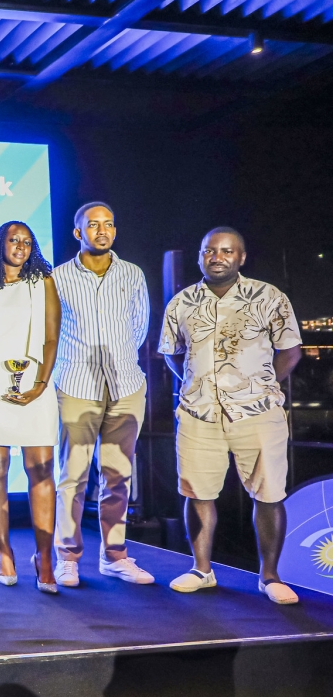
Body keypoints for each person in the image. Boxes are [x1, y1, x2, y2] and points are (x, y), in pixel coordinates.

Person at [159, 227, 302, 605]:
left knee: (269, 493)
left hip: (258, 412)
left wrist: (259, 386)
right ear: (200, 256)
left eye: (226, 251)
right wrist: (196, 384)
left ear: (241, 257)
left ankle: (269, 577)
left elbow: (290, 351)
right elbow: (172, 353)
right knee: (197, 492)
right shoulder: (182, 302)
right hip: (198, 413)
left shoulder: (269, 296)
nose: (217, 257)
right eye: (209, 251)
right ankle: (201, 570)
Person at [52, 203, 154, 588]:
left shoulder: (132, 274)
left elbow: (138, 327)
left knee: (118, 476)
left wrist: (120, 361)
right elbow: (51, 330)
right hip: (76, 384)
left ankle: (114, 556)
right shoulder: (58, 277)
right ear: (78, 233)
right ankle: (67, 557)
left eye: (108, 224)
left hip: (125, 385)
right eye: (93, 225)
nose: (102, 231)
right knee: (72, 477)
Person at [0, 221, 61, 593]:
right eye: (13, 240)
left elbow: (51, 338)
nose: (20, 246)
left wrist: (40, 385)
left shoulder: (43, 282)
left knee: (41, 469)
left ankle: (45, 556)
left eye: (26, 241)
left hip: (36, 385)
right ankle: (4, 552)